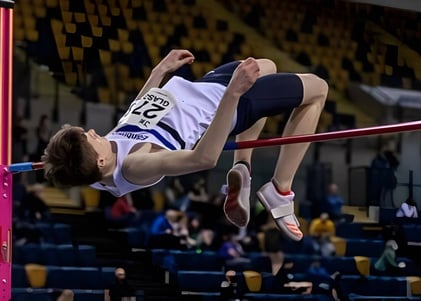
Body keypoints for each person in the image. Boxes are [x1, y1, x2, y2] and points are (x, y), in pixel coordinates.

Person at [42, 49, 328, 241]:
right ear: (101, 163)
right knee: (317, 88)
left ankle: (243, 166)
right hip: (221, 104)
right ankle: (280, 189)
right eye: (89, 136)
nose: (93, 131)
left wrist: (159, 71)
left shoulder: (91, 164)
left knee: (267, 65)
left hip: (197, 89)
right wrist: (234, 94)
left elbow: (134, 116)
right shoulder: (134, 166)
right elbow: (202, 159)